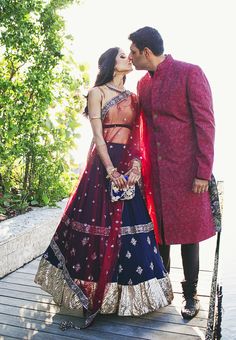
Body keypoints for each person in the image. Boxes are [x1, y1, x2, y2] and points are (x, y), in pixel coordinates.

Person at [34, 47, 173, 329]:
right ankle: (93, 295)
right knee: (96, 225)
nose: (129, 59)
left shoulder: (134, 97)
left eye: (129, 55)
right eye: (123, 56)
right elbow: (98, 136)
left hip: (128, 168)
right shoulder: (96, 92)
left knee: (131, 230)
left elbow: (138, 136)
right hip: (102, 167)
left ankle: (122, 298)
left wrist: (134, 168)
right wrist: (111, 171)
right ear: (111, 63)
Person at [128, 26, 217, 319]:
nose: (130, 57)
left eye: (133, 52)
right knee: (159, 233)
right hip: (155, 175)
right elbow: (142, 128)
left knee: (189, 235)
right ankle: (161, 290)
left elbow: (205, 124)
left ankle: (190, 295)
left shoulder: (191, 73)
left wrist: (203, 172)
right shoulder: (143, 85)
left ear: (147, 52)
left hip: (187, 173)